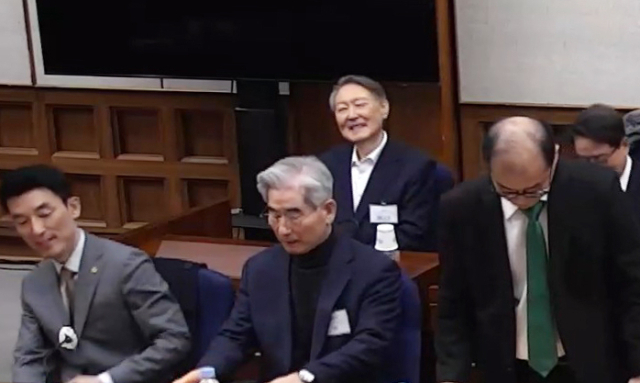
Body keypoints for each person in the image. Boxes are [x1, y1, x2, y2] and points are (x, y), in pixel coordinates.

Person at [436, 117, 640, 383]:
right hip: (507, 364)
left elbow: (631, 281)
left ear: (554, 157)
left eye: (534, 189)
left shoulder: (596, 190)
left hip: (590, 360)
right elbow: (453, 298)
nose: (522, 201)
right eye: (508, 191)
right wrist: (451, 374)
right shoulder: (462, 207)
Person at [173, 156, 401, 383]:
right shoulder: (260, 269)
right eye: (274, 215)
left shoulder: (374, 271)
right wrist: (207, 371)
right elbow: (236, 335)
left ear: (328, 211)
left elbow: (369, 345)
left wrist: (305, 378)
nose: (283, 229)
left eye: (294, 215)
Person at [3, 165, 191, 383]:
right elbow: (30, 358)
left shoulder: (126, 265)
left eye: (44, 214)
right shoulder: (35, 282)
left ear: (73, 207)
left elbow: (174, 339)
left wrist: (106, 380)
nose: (36, 230)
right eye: (22, 222)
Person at [320, 75, 438, 251]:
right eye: (342, 109)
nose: (352, 115)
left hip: (388, 262)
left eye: (360, 105)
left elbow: (414, 233)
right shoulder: (326, 164)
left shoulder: (416, 166)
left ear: (384, 108)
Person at [572, 104, 640, 220]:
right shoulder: (570, 186)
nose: (591, 168)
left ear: (624, 145)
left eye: (600, 159)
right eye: (584, 160)